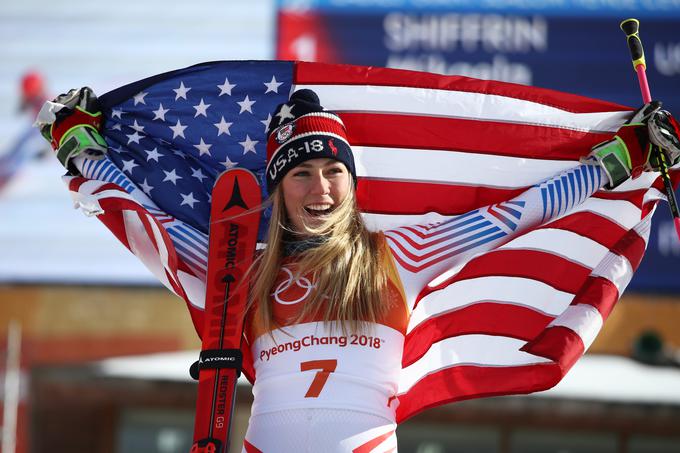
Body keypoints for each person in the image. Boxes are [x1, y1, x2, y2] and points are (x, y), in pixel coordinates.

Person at [38, 88, 680, 452]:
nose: (319, 188)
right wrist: (80, 145)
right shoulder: (239, 267)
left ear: (352, 181)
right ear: (279, 187)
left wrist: (624, 156)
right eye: (301, 173)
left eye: (333, 171)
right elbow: (144, 223)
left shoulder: (400, 254)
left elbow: (520, 214)